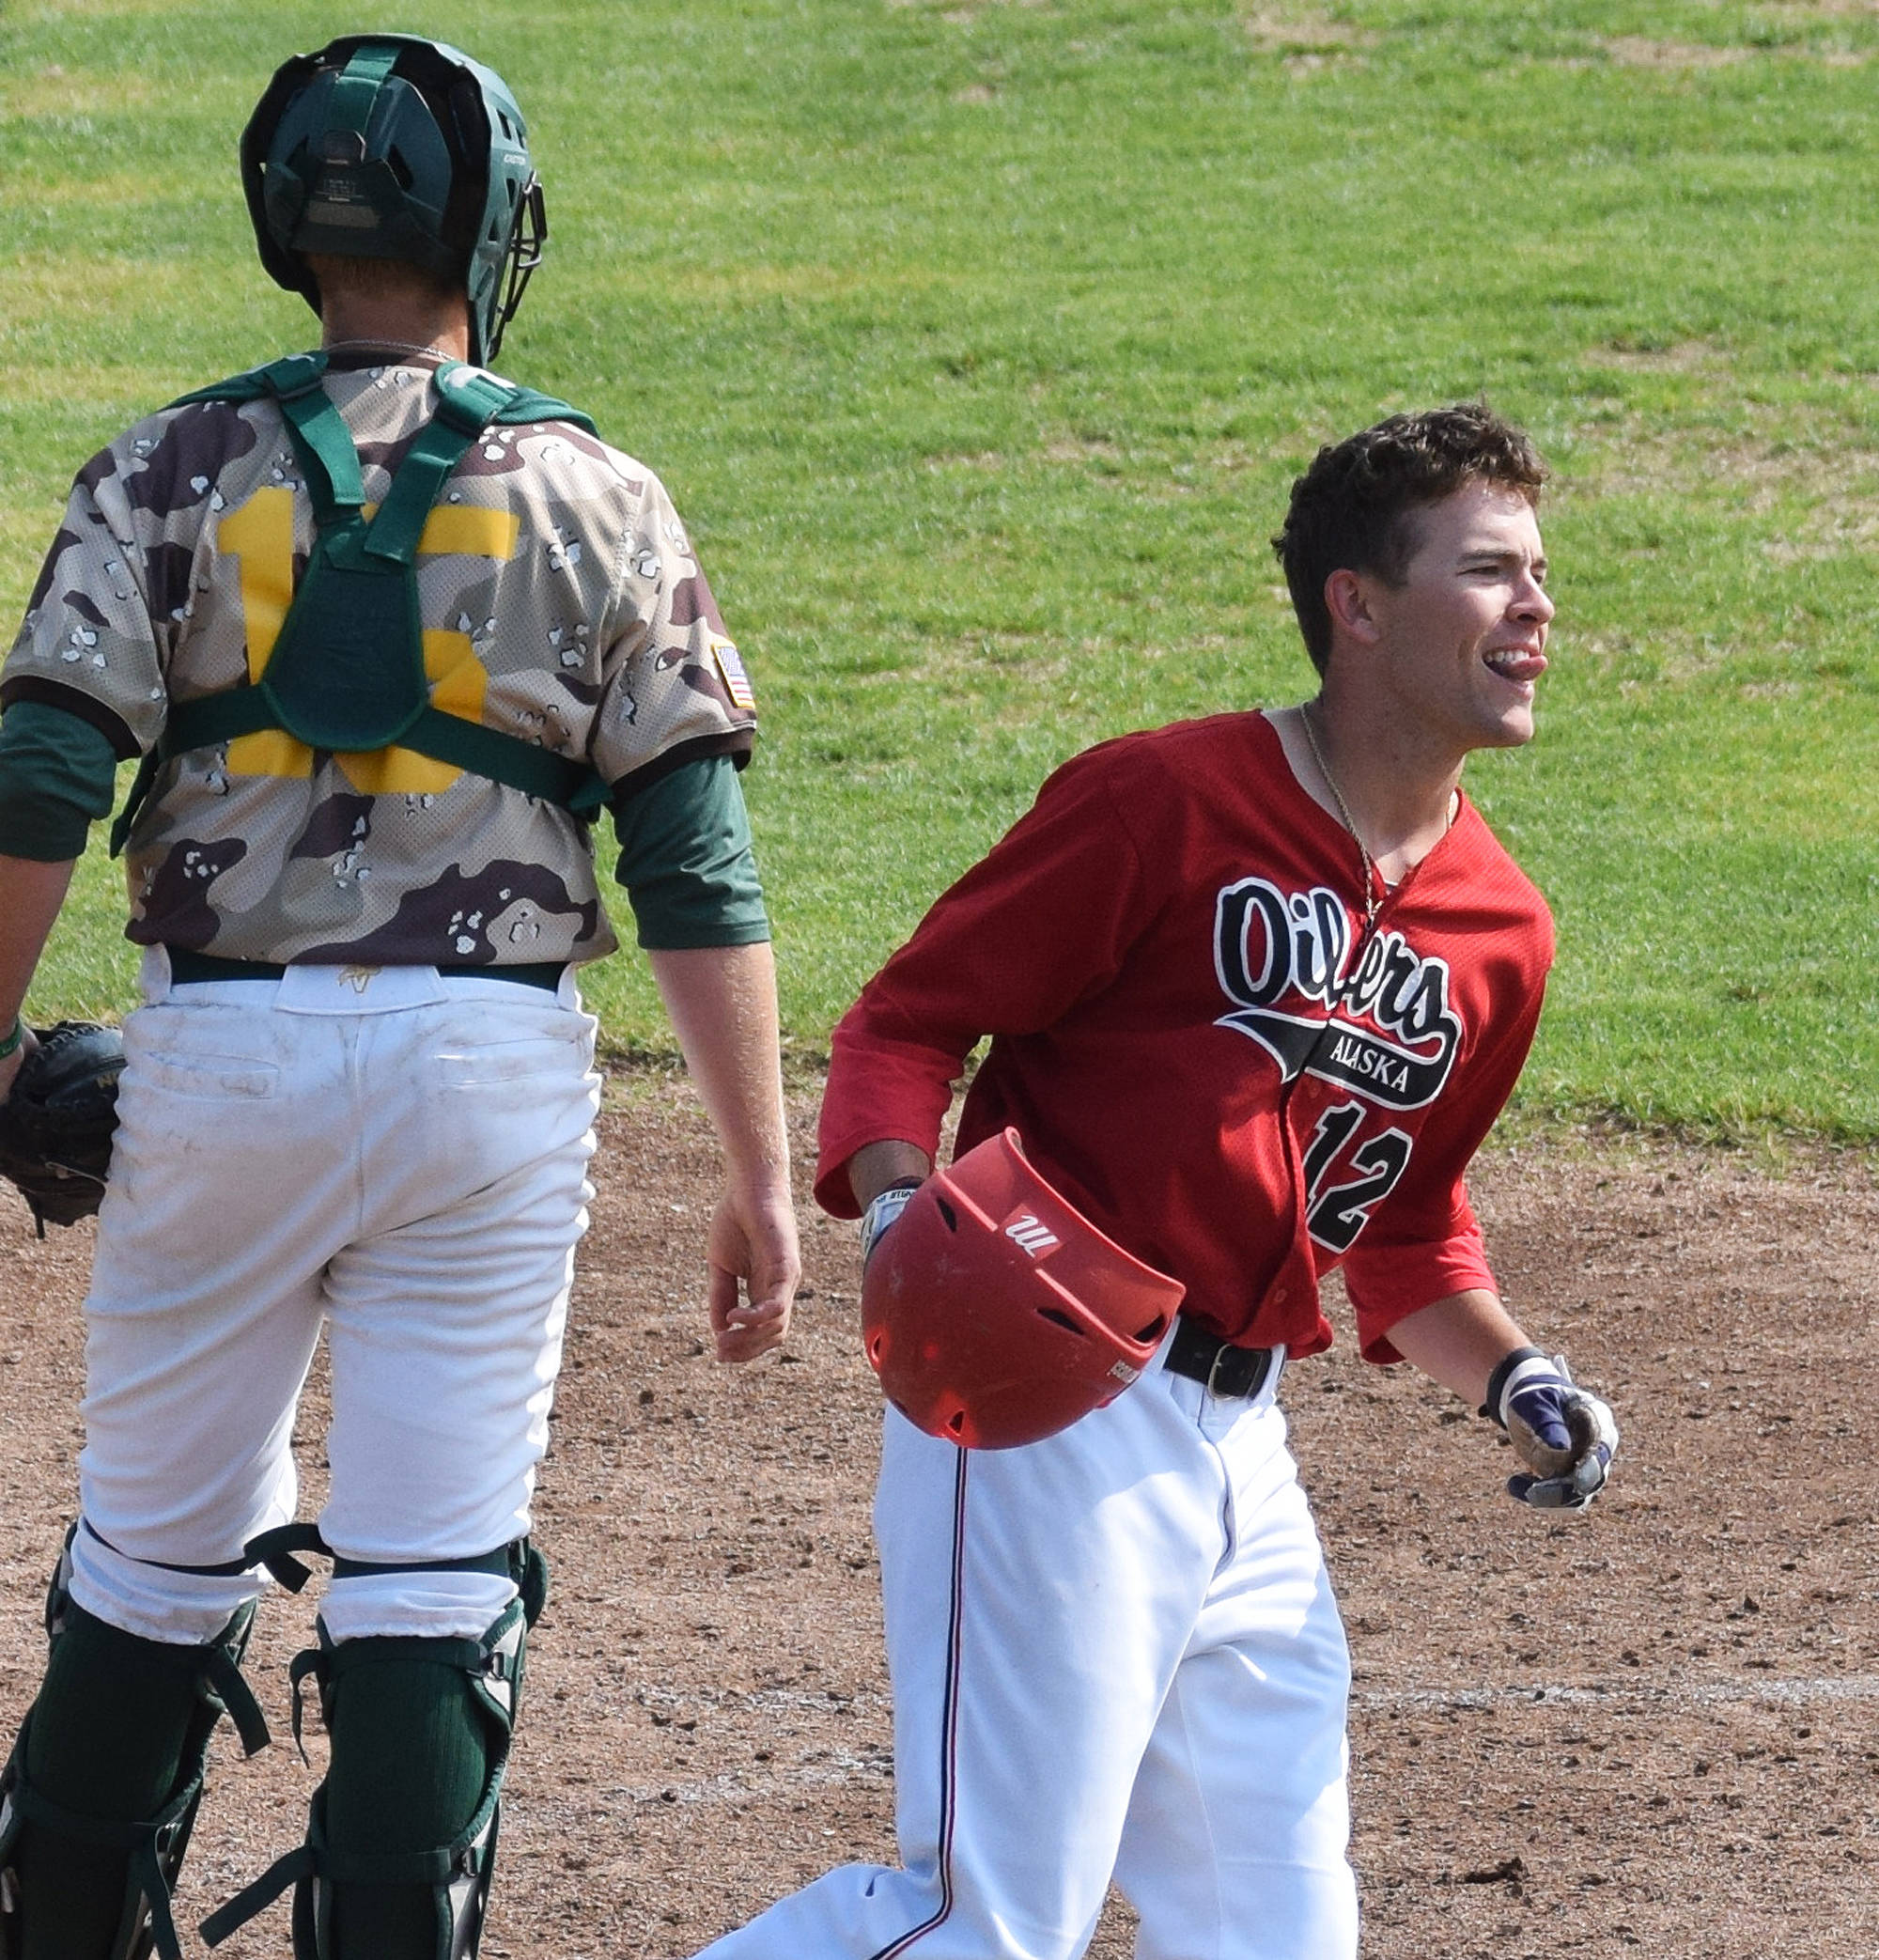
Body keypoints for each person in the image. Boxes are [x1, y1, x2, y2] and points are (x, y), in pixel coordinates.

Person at [0, 34, 799, 1960]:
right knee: (435, 1580)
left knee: (153, 1553)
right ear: (497, 228)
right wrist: (759, 1169)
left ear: (285, 223)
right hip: (484, 1077)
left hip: (221, 1059)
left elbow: (40, 773)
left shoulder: (167, 463)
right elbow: (691, 861)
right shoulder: (599, 491)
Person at [692, 404, 1617, 1960]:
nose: (1539, 607)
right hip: (1047, 1389)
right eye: (1490, 570)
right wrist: (915, 1222)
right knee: (982, 1922)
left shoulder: (1498, 930)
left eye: (1541, 572)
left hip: (1242, 1449)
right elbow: (909, 1021)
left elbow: (1402, 1232)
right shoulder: (1167, 802)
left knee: (1278, 1930)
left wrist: (1517, 1368)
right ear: (1360, 605)